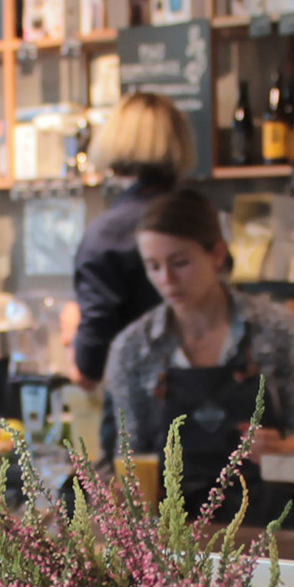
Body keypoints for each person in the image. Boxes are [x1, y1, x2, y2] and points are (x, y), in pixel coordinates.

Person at [101, 189, 294, 519]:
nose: (166, 279)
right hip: (171, 539)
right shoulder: (133, 348)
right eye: (153, 266)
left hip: (269, 529)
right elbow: (124, 458)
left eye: (180, 263)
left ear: (217, 254)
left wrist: (281, 447)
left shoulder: (274, 330)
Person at [72, 92, 194, 397]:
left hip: (138, 414)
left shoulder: (105, 235)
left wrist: (70, 332)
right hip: (212, 408)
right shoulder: (200, 218)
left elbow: (90, 367)